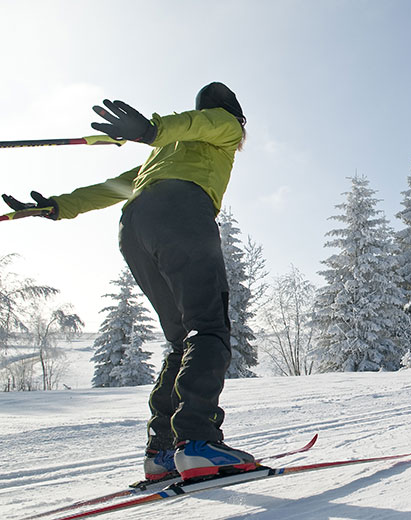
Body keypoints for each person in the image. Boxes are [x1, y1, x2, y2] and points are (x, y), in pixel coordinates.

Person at [2, 82, 255, 482]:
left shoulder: (163, 155)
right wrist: (151, 130)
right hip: (182, 214)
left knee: (181, 342)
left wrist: (58, 206)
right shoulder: (225, 127)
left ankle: (163, 452)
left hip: (136, 226)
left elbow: (114, 188)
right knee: (208, 329)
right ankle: (198, 443)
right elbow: (198, 122)